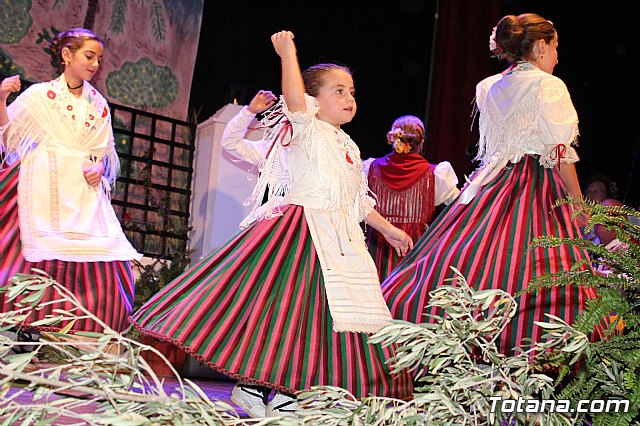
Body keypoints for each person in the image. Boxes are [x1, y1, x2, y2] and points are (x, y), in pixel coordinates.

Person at [131, 31, 414, 419]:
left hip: (340, 238)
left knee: (325, 319)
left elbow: (357, 201)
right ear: (314, 99)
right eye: (339, 91)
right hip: (302, 233)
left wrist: (388, 229)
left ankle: (285, 389)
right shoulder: (304, 129)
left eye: (352, 91)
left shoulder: (348, 146)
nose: (349, 99)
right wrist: (288, 55)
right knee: (290, 312)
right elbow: (294, 104)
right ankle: (264, 388)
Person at [381, 14, 597, 355]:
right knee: (539, 268)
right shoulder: (549, 85)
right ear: (541, 47)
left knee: (476, 260)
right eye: (555, 47)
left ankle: (458, 341)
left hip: (489, 185)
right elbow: (558, 152)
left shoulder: (488, 86)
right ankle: (530, 351)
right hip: (533, 185)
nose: (557, 56)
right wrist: (579, 205)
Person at [0, 28, 141, 333]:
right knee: (26, 258)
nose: (95, 64)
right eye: (89, 56)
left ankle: (73, 332)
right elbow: (9, 137)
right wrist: (1, 99)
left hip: (80, 190)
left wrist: (99, 168)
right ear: (66, 55)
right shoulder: (39, 95)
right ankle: (21, 326)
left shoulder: (98, 104)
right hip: (42, 181)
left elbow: (102, 154)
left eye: (99, 59)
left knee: (94, 264)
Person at [362, 115, 459, 280]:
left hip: (374, 248)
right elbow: (460, 206)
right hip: (415, 251)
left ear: (393, 140)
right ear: (421, 144)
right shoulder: (436, 176)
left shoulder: (369, 169)